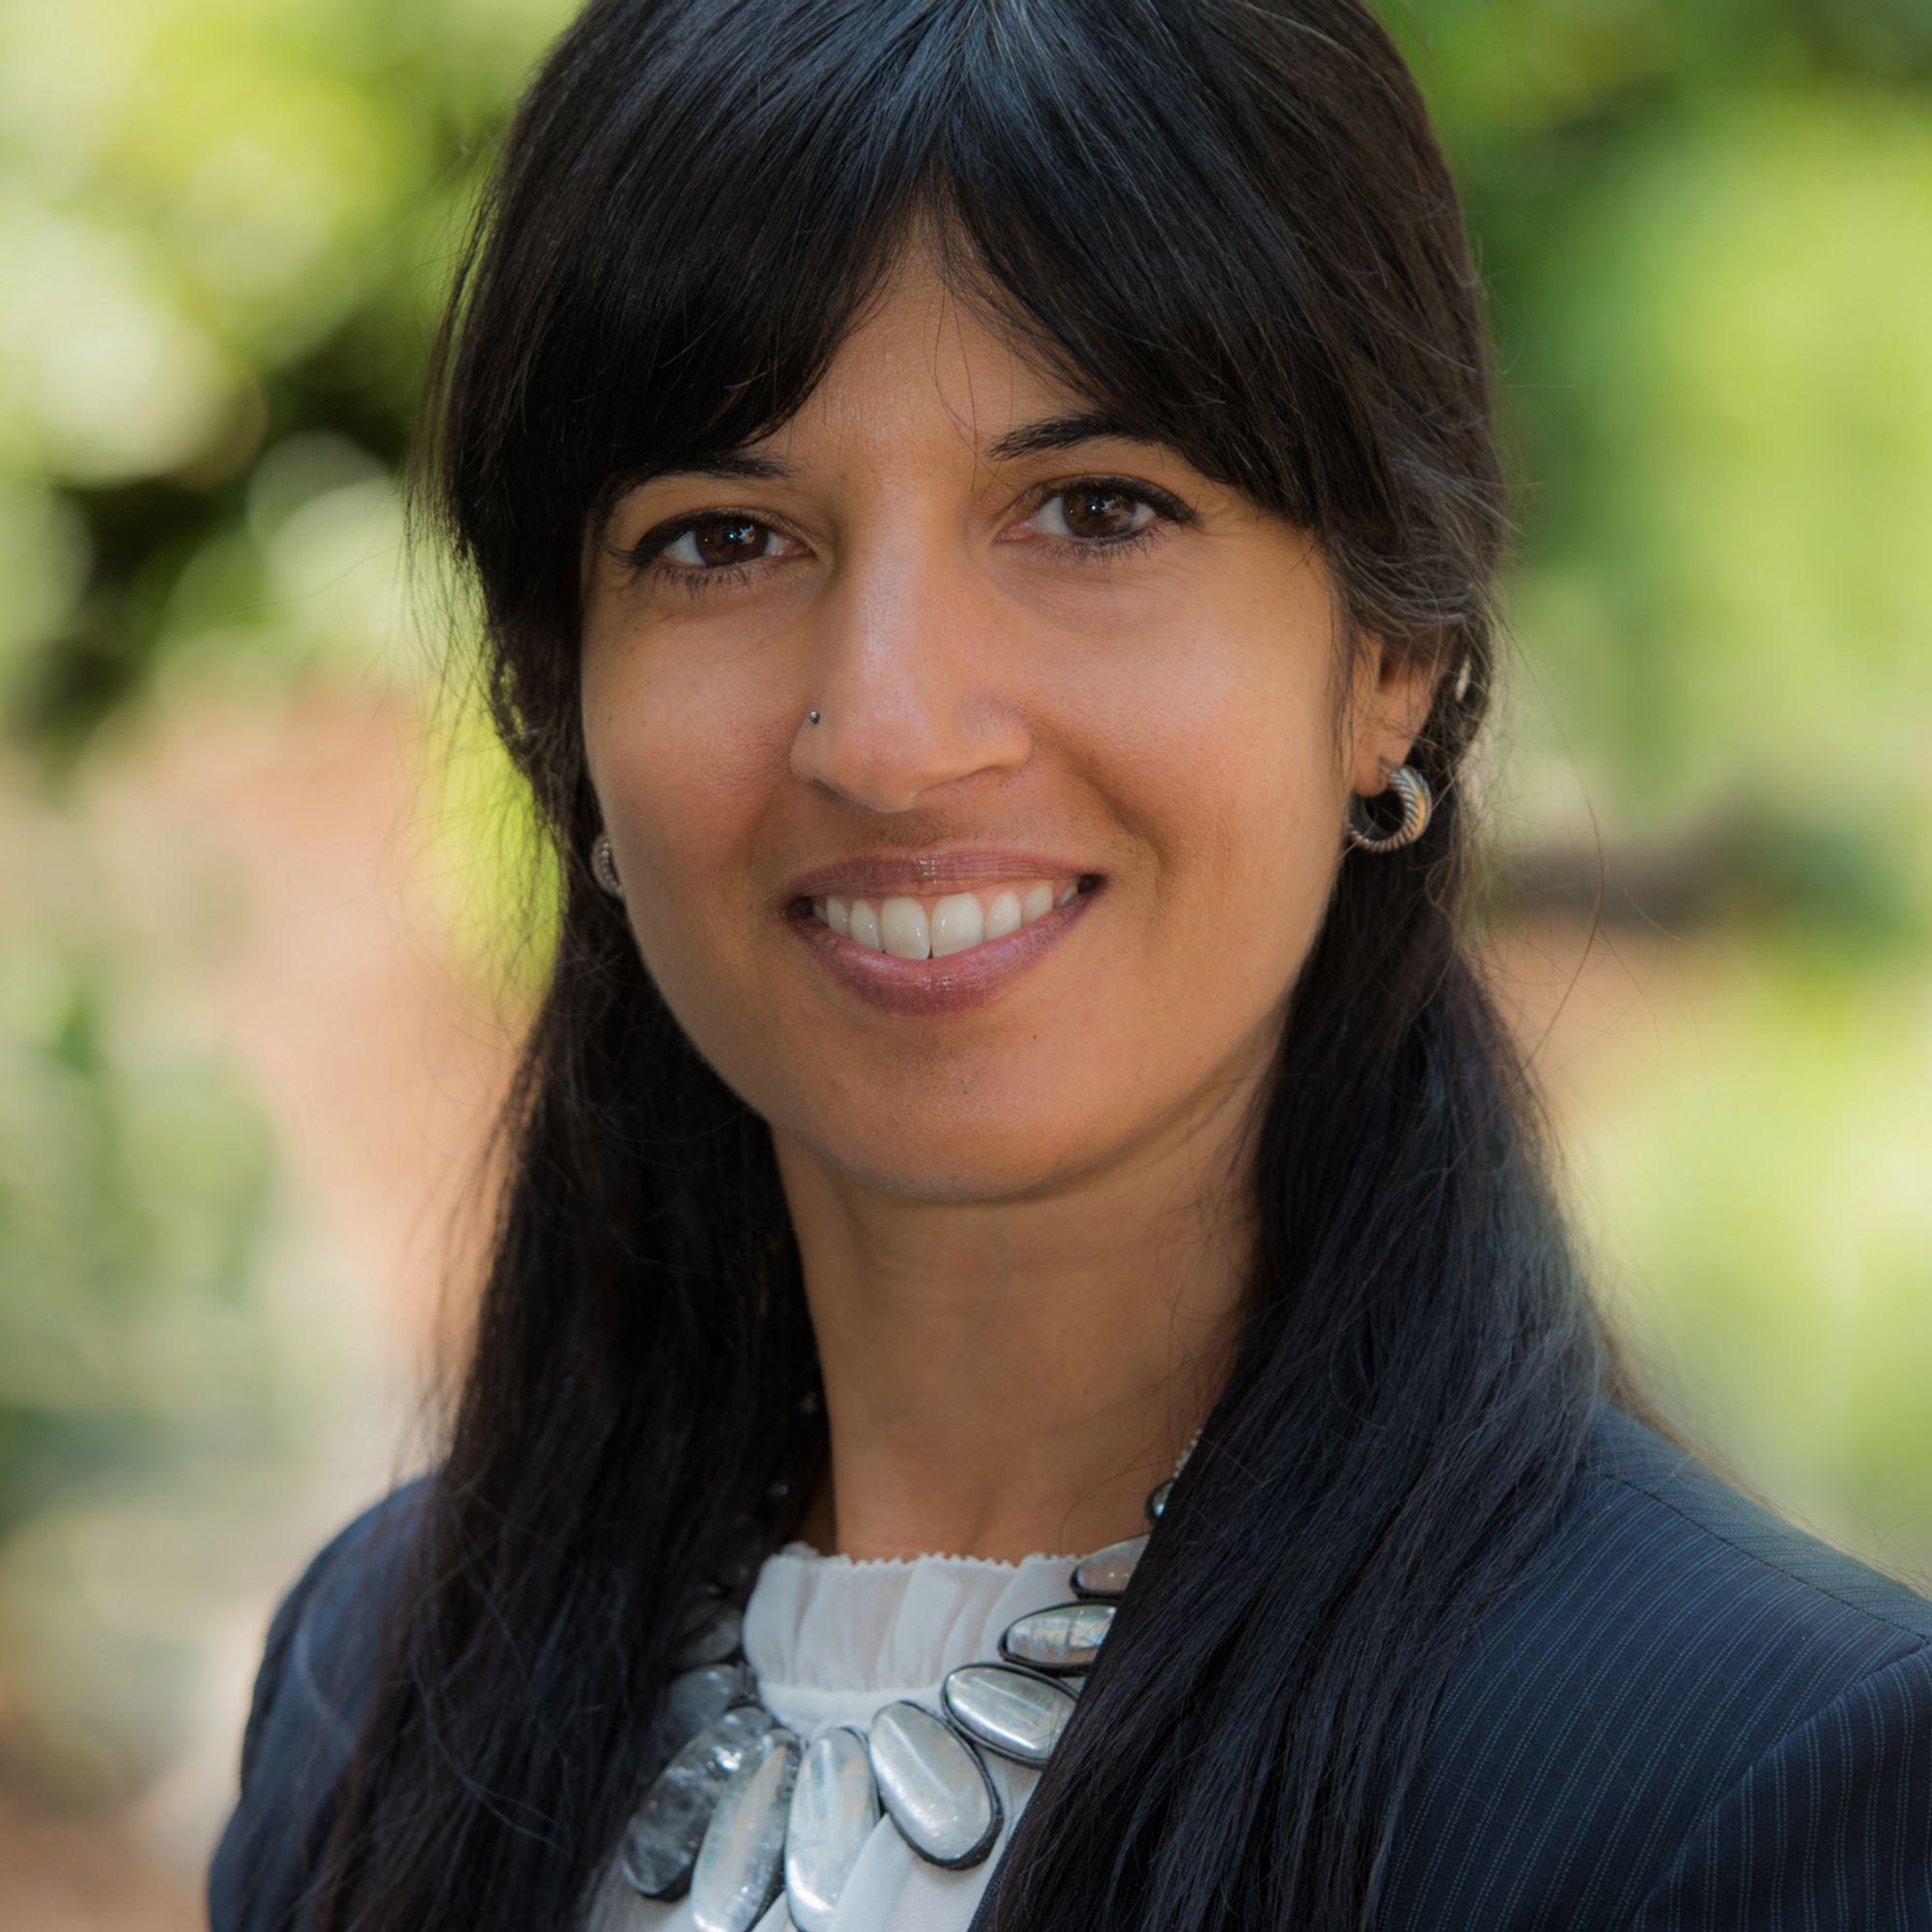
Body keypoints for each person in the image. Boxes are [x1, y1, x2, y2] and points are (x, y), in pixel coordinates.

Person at [206, 2, 1932, 1928]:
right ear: (561, 699)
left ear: (1392, 659)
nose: (888, 730)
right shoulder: (368, 1695)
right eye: (723, 539)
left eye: (1095, 511)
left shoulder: (1753, 1774)